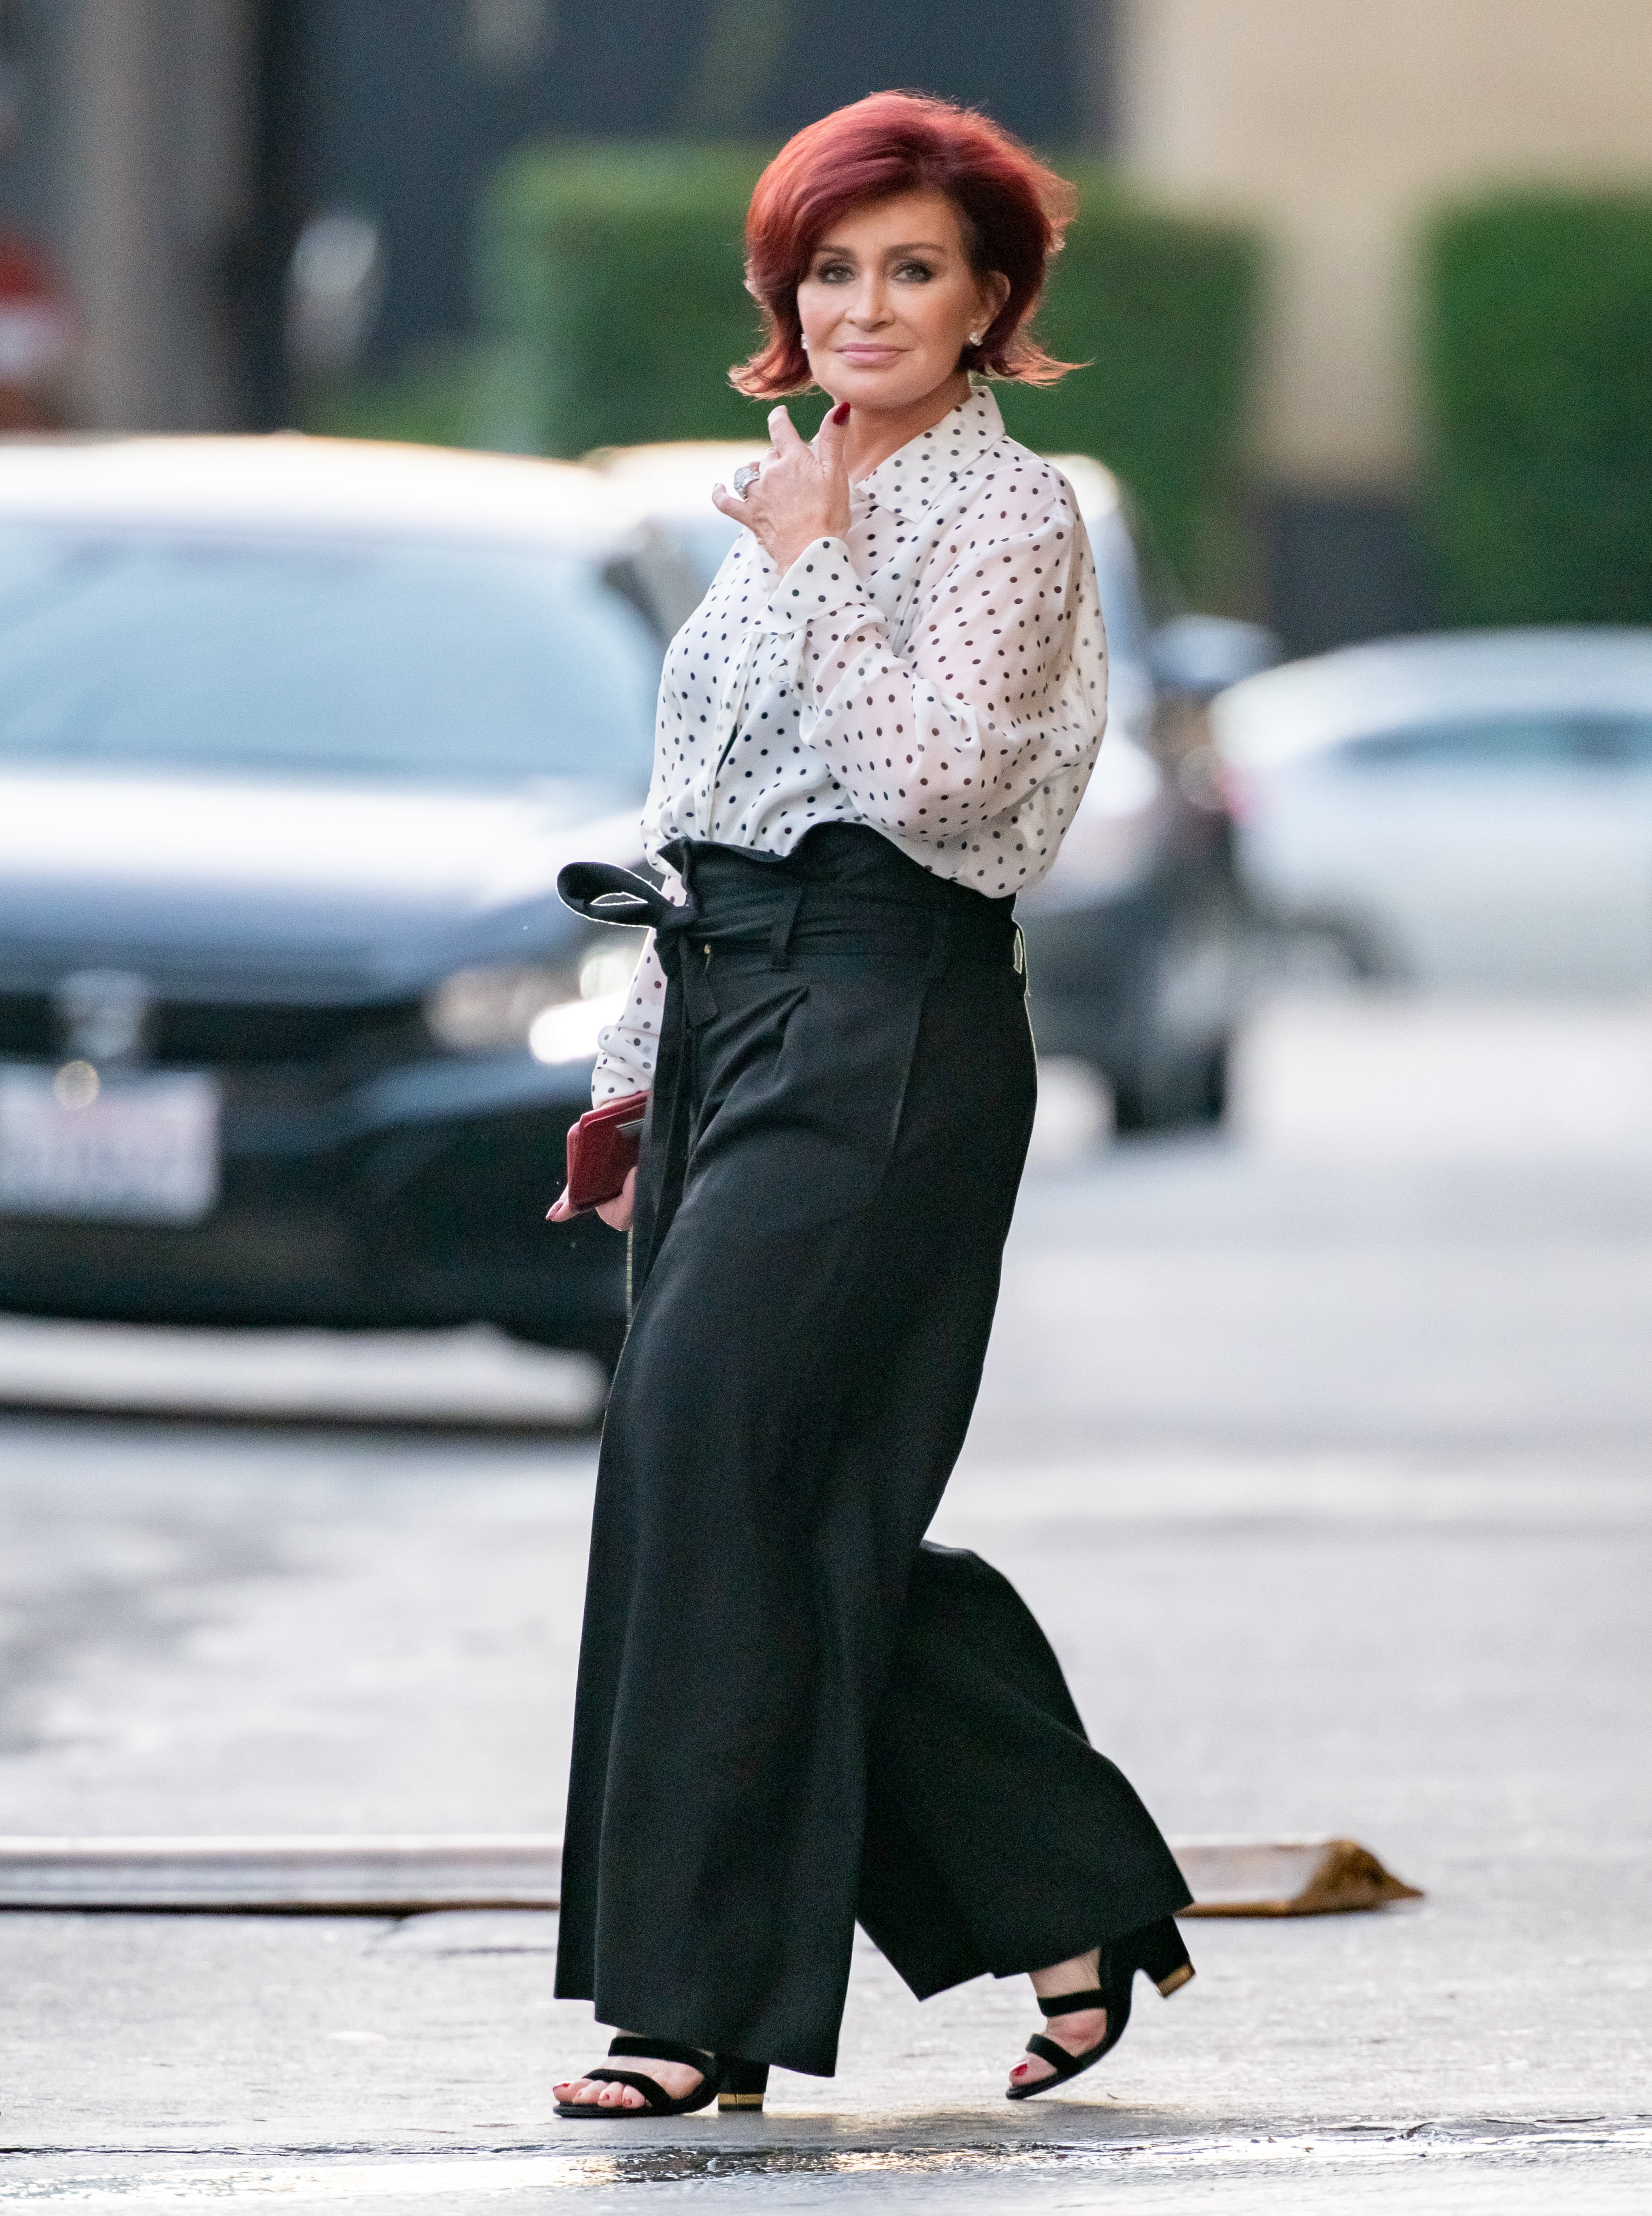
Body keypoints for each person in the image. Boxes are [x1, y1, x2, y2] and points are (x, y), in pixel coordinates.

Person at [549, 91, 1193, 2120]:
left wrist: (826, 567)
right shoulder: (782, 491)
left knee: (711, 1446)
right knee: (739, 1488)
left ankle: (696, 2014)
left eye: (915, 268)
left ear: (993, 298)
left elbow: (920, 792)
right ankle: (1064, 1888)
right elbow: (701, 814)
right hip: (737, 1010)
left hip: (890, 1018)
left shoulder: (1012, 518)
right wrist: (635, 1070)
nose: (866, 303)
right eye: (834, 266)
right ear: (785, 288)